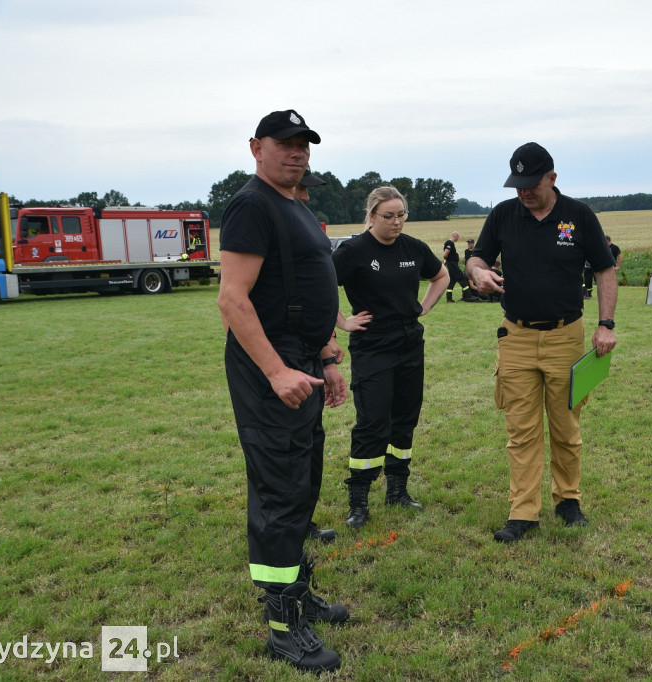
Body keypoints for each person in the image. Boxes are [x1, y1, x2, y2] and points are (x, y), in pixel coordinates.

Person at [217, 109, 348, 673]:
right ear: (256, 147)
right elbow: (232, 299)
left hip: (302, 360)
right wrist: (275, 371)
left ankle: (297, 592)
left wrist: (324, 358)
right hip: (271, 367)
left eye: (304, 144)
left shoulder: (295, 205)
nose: (297, 153)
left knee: (303, 481)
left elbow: (306, 291)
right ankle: (282, 626)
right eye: (285, 143)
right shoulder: (252, 204)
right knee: (278, 490)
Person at [466, 142, 618, 543]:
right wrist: (477, 272)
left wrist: (606, 324)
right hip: (515, 336)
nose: (524, 192)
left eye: (531, 183)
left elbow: (605, 270)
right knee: (521, 429)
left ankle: (568, 500)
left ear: (552, 178)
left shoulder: (579, 216)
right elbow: (476, 258)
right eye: (517, 185)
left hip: (566, 336)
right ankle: (523, 513)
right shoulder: (503, 215)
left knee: (566, 426)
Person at [332, 186, 449, 528]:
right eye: (389, 216)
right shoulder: (353, 251)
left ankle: (397, 489)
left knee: (405, 417)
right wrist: (342, 321)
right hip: (373, 345)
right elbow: (320, 286)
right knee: (372, 421)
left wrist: (423, 306)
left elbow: (441, 275)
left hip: (410, 343)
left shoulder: (413, 248)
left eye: (401, 215)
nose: (396, 222)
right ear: (371, 216)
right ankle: (358, 500)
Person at [293, 165, 343, 545]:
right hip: (285, 356)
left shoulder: (305, 220)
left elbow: (313, 295)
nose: (307, 196)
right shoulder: (268, 222)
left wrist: (326, 356)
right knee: (288, 448)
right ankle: (286, 527)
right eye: (301, 188)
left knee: (310, 443)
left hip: (309, 352)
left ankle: (302, 521)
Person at [442, 231, 475, 302]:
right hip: (452, 264)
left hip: (451, 263)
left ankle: (449, 298)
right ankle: (468, 296)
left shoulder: (449, 243)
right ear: (456, 236)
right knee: (462, 278)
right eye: (458, 237)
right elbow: (445, 254)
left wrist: (446, 261)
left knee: (452, 281)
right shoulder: (449, 243)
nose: (458, 239)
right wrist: (447, 259)